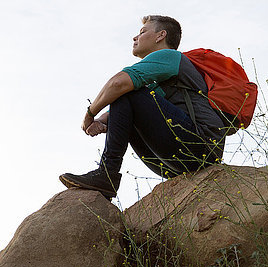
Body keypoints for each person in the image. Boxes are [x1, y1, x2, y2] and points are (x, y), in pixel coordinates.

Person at [59, 15, 225, 200]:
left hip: (200, 145)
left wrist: (89, 115)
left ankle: (107, 173)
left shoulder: (170, 57)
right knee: (127, 92)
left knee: (126, 89)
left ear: (160, 35)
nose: (135, 38)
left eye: (142, 32)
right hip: (185, 158)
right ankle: (105, 178)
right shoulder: (160, 74)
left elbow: (117, 84)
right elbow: (129, 102)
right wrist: (101, 121)